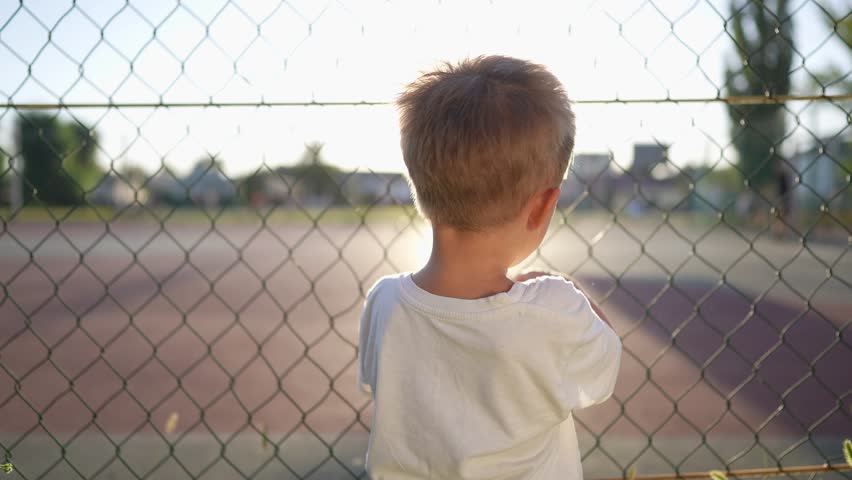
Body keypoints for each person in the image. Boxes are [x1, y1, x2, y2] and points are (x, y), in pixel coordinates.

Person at [358, 56, 622, 480]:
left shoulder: (383, 302)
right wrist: (570, 291)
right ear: (542, 206)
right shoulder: (554, 310)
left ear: (418, 185)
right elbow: (604, 366)